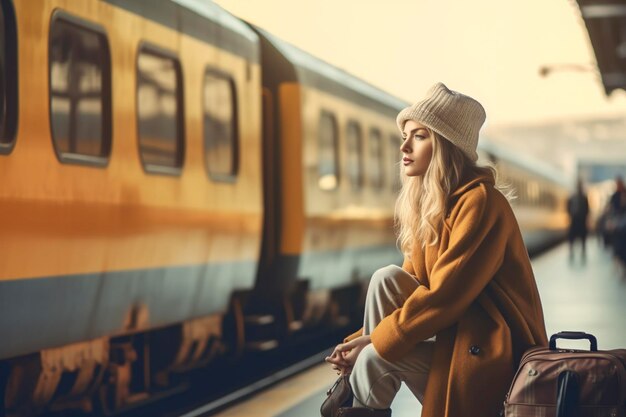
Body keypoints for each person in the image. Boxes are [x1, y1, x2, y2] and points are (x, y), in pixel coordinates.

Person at [325, 83, 548, 417]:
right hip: (455, 341)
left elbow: (444, 296)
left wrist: (371, 344)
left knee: (373, 359)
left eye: (419, 136)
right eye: (405, 135)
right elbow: (410, 284)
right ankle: (360, 385)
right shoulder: (433, 206)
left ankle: (357, 393)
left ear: (445, 144)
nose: (404, 145)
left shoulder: (482, 202)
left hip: (493, 355)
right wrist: (360, 338)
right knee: (386, 279)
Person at [567, 178, 590, 261]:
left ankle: (582, 252)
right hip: (575, 219)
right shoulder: (574, 197)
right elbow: (568, 207)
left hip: (581, 220)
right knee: (572, 237)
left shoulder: (582, 197)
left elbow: (587, 209)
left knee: (582, 237)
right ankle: (572, 251)